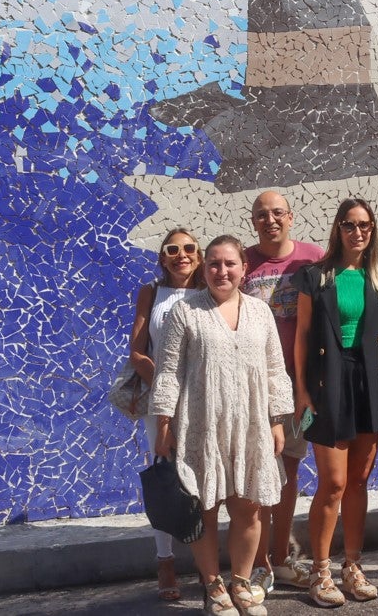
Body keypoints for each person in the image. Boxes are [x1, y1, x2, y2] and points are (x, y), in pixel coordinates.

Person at [151, 235, 294, 616]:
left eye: (229, 263)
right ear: (204, 268)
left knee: (249, 507)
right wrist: (164, 423)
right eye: (213, 264)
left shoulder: (260, 313)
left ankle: (242, 583)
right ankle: (214, 586)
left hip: (251, 425)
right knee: (207, 508)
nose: (221, 271)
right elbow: (168, 373)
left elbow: (275, 371)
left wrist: (278, 421)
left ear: (244, 267)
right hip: (201, 425)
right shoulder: (185, 312)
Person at [293, 199, 378, 607]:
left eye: (365, 225)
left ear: (372, 230)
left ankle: (352, 566)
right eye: (350, 225)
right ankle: (320, 570)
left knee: (358, 481)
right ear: (338, 229)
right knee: (332, 483)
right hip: (328, 381)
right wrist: (301, 393)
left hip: (369, 383)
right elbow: (301, 336)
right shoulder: (315, 276)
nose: (357, 232)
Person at [241, 191, 325, 595]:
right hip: (253, 388)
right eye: (262, 215)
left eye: (277, 213)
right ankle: (256, 564)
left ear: (290, 217)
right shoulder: (241, 263)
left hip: (300, 388)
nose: (270, 220)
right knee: (257, 472)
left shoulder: (313, 256)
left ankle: (279, 556)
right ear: (253, 221)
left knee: (289, 469)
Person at [128, 228, 203, 601]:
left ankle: (208, 567)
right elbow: (137, 352)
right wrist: (166, 384)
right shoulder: (151, 293)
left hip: (207, 399)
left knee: (207, 479)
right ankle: (165, 560)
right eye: (172, 249)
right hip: (163, 400)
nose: (181, 254)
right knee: (164, 476)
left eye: (189, 248)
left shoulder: (211, 290)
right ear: (162, 257)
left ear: (199, 255)